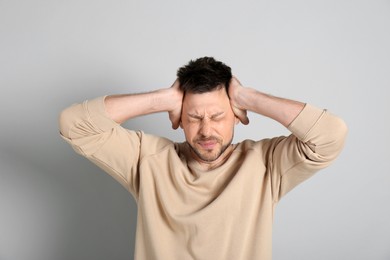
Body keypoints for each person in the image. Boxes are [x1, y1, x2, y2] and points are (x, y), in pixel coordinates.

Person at [59, 57, 347, 260]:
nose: (206, 130)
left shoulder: (265, 163)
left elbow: (330, 135)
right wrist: (162, 99)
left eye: (218, 116)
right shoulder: (148, 160)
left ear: (237, 117)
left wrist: (249, 97)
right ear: (179, 120)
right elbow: (73, 124)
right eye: (194, 117)